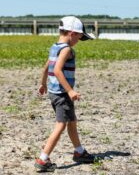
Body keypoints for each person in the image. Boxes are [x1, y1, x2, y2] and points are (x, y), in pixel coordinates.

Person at [34, 16, 95, 172]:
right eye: (80, 37)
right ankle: (43, 159)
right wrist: (70, 90)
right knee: (61, 125)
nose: (78, 41)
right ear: (73, 33)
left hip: (54, 93)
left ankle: (79, 151)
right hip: (62, 94)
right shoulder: (66, 49)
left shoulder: (55, 47)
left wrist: (43, 84)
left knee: (71, 121)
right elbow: (57, 70)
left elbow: (46, 68)